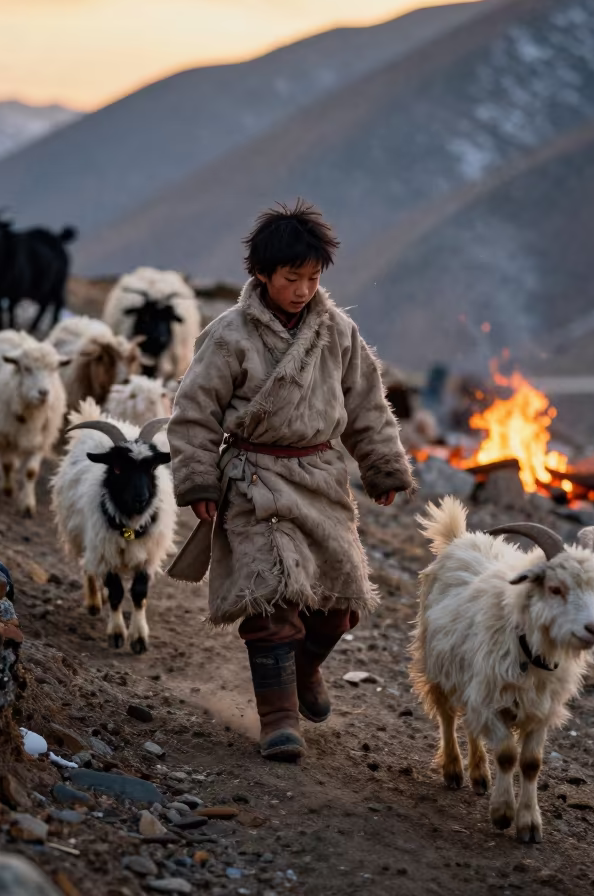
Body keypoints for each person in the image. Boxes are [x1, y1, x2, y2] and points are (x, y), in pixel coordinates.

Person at [165, 199, 414, 761]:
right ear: (262, 275)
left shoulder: (339, 334)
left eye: (312, 278)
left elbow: (368, 406)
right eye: (291, 278)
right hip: (255, 478)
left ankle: (305, 669)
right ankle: (279, 719)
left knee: (339, 602)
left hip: (322, 476)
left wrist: (381, 466)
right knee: (271, 595)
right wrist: (199, 481)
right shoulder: (228, 335)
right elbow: (194, 411)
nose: (303, 289)